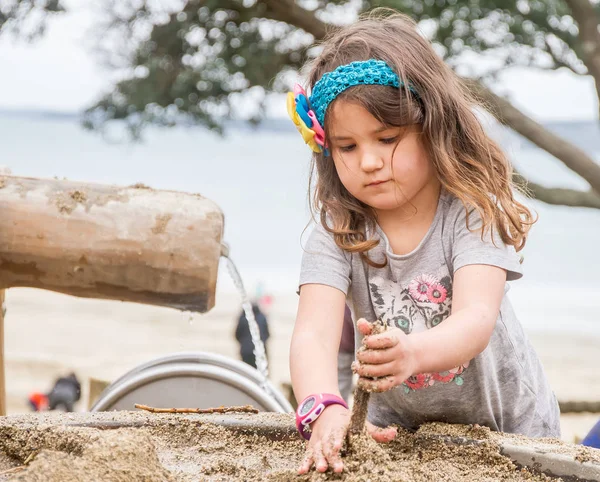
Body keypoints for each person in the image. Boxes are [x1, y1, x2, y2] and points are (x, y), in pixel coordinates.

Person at [287, 11, 560, 475]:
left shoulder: (470, 211)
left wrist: (412, 352)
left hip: (512, 430)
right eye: (347, 146)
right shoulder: (338, 231)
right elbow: (313, 332)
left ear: (433, 125)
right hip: (402, 437)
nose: (368, 161)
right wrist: (323, 406)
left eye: (387, 138)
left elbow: (474, 320)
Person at [235, 302, 270, 369]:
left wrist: (244, 343)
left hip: (245, 351)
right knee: (260, 373)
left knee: (247, 372)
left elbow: (237, 334)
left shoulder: (243, 318)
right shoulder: (262, 317)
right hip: (260, 350)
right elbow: (267, 334)